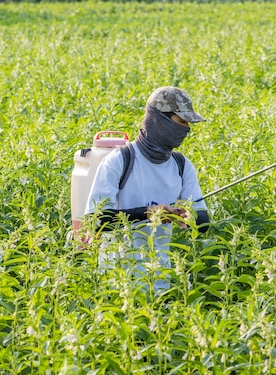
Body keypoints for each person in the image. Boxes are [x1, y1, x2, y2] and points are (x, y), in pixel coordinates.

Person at [84, 86, 209, 291]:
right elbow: (94, 220)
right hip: (116, 281)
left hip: (159, 282)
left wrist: (188, 215)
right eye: (182, 121)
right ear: (159, 119)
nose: (186, 129)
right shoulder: (120, 160)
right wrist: (147, 213)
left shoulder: (181, 165)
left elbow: (204, 222)